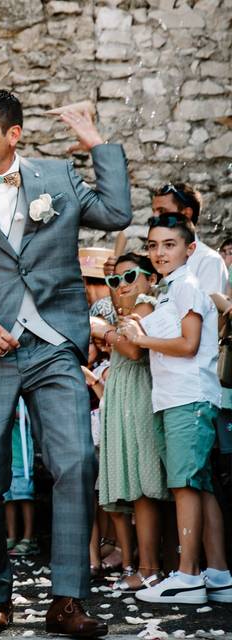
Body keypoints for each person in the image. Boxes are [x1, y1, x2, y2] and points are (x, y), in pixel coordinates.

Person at [0, 89, 132, 637]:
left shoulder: (57, 177)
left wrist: (96, 144)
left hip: (54, 345)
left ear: (14, 135)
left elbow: (117, 213)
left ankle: (68, 600)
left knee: (76, 463)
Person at [118, 214, 232, 605]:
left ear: (190, 248)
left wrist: (143, 338)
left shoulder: (186, 286)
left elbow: (188, 344)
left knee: (184, 484)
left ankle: (188, 575)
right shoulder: (168, 289)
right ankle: (218, 574)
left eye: (169, 244)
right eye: (153, 245)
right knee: (197, 485)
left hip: (189, 396)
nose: (160, 252)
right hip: (174, 397)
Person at [90, 253, 169, 591]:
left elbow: (135, 351)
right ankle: (135, 564)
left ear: (149, 277)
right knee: (126, 485)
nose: (121, 285)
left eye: (129, 276)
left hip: (138, 395)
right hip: (120, 398)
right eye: (114, 280)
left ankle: (150, 567)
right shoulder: (126, 312)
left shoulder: (148, 305)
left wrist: (104, 331)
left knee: (142, 485)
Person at [4, 399, 38, 557]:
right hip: (6, 454)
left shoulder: (23, 396)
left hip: (22, 455)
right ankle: (11, 536)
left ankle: (29, 537)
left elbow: (29, 416)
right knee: (8, 497)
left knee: (24, 495)